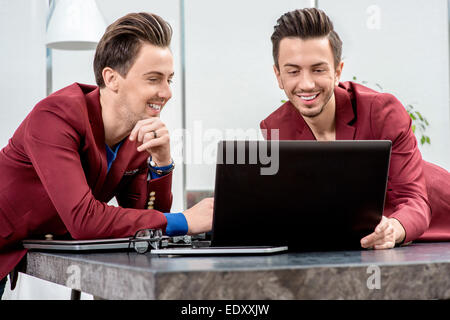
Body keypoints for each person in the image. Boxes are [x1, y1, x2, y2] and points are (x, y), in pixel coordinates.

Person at [0, 12, 213, 298]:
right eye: (153, 79)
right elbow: (84, 220)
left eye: (169, 80)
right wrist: (185, 220)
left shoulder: (136, 135)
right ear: (111, 78)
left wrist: (161, 165)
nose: (166, 92)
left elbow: (146, 223)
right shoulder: (54, 117)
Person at [260, 8, 450, 250]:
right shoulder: (276, 128)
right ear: (278, 75)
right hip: (369, 238)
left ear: (338, 71)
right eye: (293, 71)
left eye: (318, 70)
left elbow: (414, 201)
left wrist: (394, 229)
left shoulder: (382, 112)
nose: (306, 84)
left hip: (439, 218)